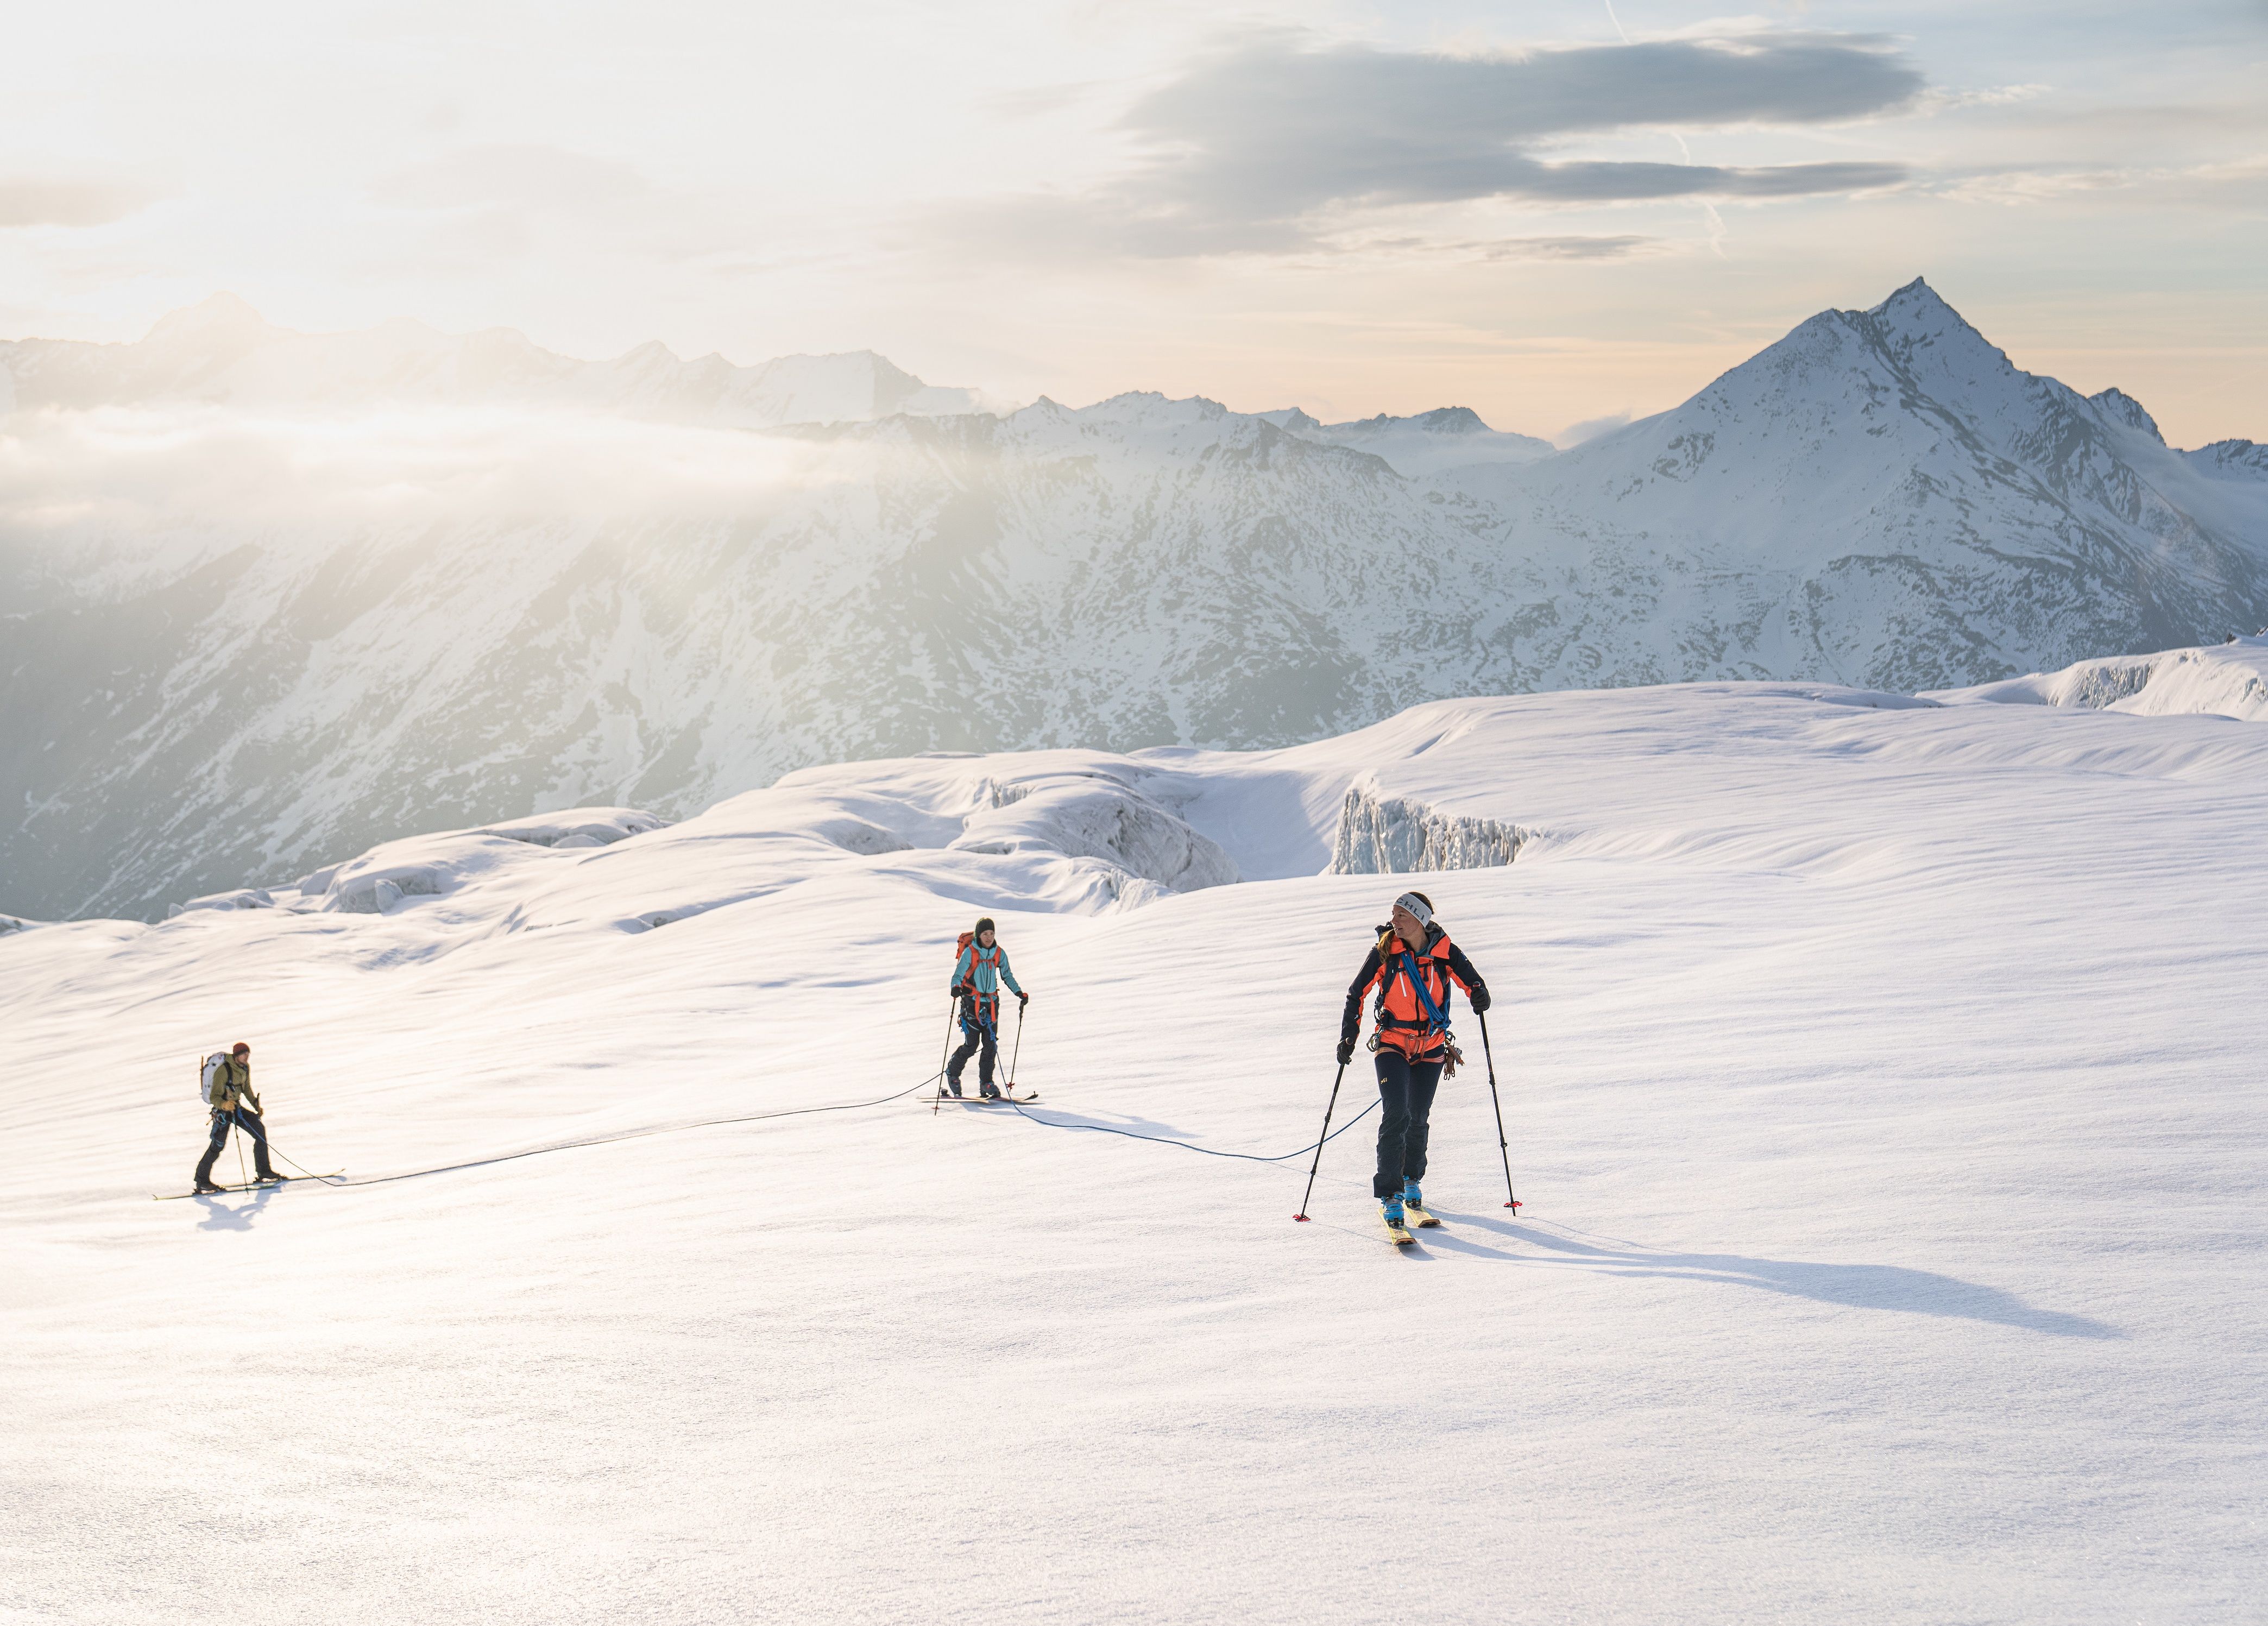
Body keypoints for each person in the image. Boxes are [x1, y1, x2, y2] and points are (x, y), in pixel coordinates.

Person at [1337, 891, 1490, 1239]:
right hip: (1392, 1043)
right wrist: (1348, 1037)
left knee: (1418, 1116)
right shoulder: (1384, 953)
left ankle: (1411, 1183)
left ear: (1419, 920)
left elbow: (1473, 982)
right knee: (1396, 1114)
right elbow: (1356, 993)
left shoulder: (1444, 952)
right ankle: (1390, 1197)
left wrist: (1480, 995)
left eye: (1400, 915)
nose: (1394, 921)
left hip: (1433, 1045)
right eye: (1393, 914)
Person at [947, 917, 1028, 1099]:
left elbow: (1007, 975)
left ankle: (986, 1082)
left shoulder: (999, 953)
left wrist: (1019, 993)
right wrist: (955, 988)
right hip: (971, 1003)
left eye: (992, 934)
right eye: (985, 934)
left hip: (991, 1005)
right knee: (971, 1045)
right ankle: (953, 1074)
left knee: (990, 1045)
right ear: (979, 934)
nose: (989, 937)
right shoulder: (971, 952)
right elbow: (958, 974)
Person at [194, 1041, 282, 1193]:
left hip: (236, 1108)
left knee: (259, 1131)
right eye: (243, 1054)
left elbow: (246, 1088)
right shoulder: (224, 1070)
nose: (247, 1057)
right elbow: (215, 1096)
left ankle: (264, 1171)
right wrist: (224, 1105)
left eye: (248, 1054)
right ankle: (202, 1181)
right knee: (218, 1145)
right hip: (223, 1112)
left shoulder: (245, 1068)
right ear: (236, 1056)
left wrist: (256, 1106)